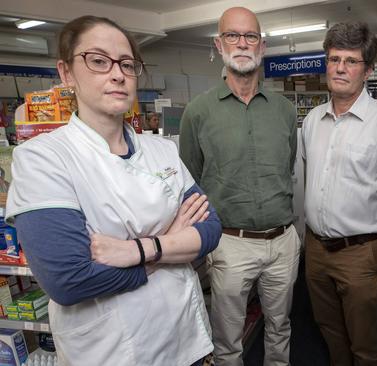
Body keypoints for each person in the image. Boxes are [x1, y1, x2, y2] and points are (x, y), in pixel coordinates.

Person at [5, 16, 222, 366]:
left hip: (186, 340)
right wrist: (172, 243)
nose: (117, 74)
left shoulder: (162, 150)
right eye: (98, 61)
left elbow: (211, 230)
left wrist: (134, 249)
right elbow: (70, 280)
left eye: (126, 63)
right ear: (66, 73)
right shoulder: (43, 159)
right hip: (111, 352)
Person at [179, 7, 300, 366]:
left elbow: (287, 166)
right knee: (227, 337)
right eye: (232, 36)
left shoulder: (284, 110)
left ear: (262, 46)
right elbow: (191, 179)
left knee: (280, 326)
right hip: (230, 243)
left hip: (282, 242)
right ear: (219, 44)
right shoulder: (198, 112)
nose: (242, 44)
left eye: (250, 37)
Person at [301, 22, 377, 366]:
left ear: (367, 70)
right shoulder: (312, 120)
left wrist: (369, 228)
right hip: (316, 251)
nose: (340, 68)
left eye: (351, 61)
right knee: (329, 329)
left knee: (364, 341)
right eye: (334, 59)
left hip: (361, 253)